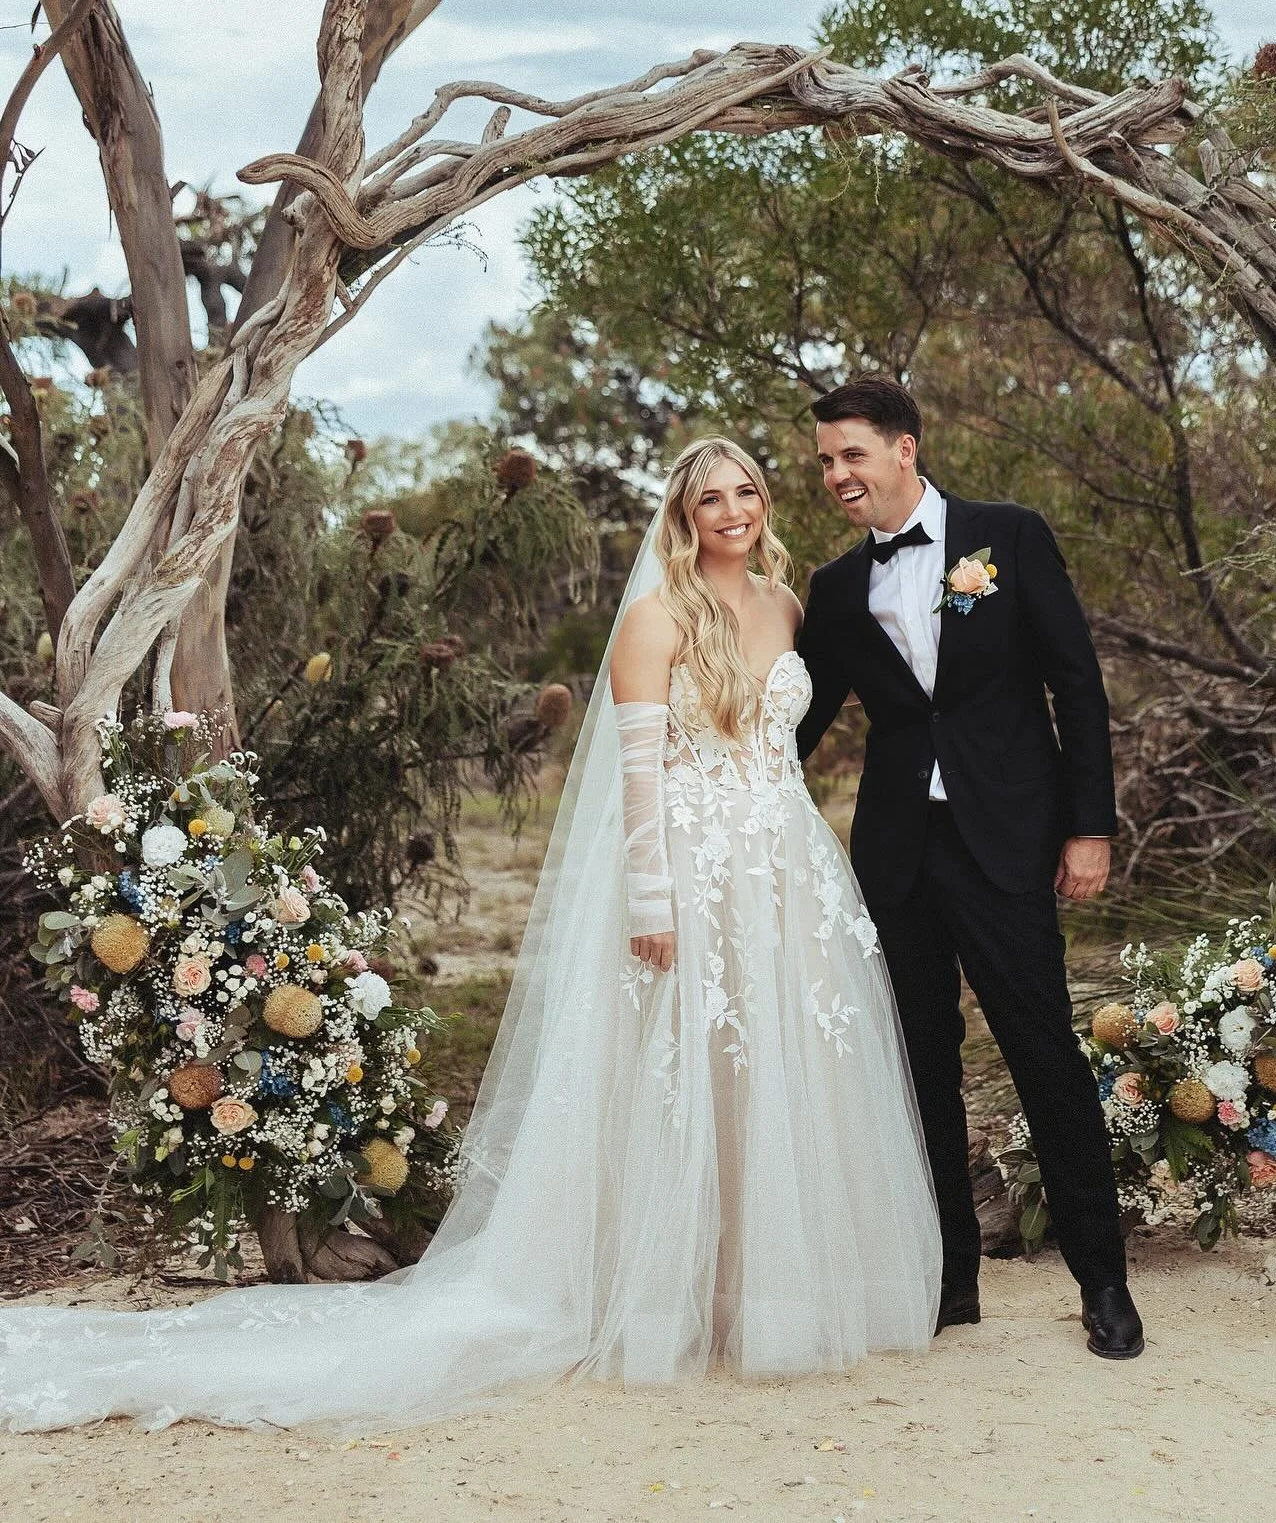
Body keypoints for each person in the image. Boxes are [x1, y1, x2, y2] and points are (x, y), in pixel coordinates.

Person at [0, 438, 940, 1434]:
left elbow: (783, 745)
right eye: (712, 496)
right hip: (693, 875)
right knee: (681, 1073)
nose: (734, 507)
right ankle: (660, 1294)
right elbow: (637, 779)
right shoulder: (655, 617)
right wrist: (655, 901)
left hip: (784, 873)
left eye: (748, 488)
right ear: (683, 512)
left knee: (771, 1073)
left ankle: (759, 1293)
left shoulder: (786, 605)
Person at [796, 376, 1144, 1360]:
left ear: (905, 447)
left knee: (1044, 1053)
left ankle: (1104, 1281)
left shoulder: (1010, 536)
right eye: (823, 459)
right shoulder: (831, 592)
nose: (835, 474)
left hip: (1009, 839)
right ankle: (948, 1276)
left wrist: (1089, 824)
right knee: (918, 1067)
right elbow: (798, 726)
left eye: (851, 453)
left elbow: (1075, 681)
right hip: (897, 854)